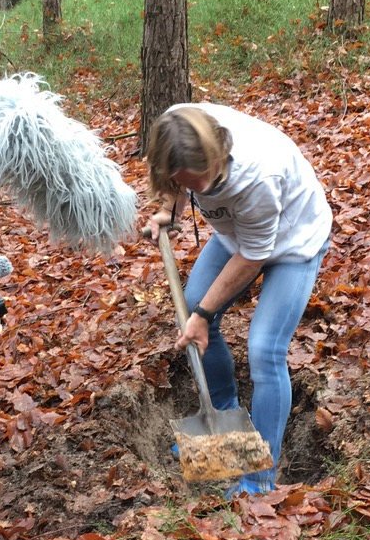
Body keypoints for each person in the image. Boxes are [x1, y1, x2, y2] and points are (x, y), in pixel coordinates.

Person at [142, 104, 331, 497]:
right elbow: (173, 181)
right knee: (194, 303)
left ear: (217, 154)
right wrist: (167, 211)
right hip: (238, 234)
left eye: (203, 181)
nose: (196, 191)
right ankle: (226, 426)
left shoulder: (258, 175)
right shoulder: (178, 126)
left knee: (264, 349)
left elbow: (254, 255)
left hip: (293, 241)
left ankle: (259, 477)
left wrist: (202, 314)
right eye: (188, 184)